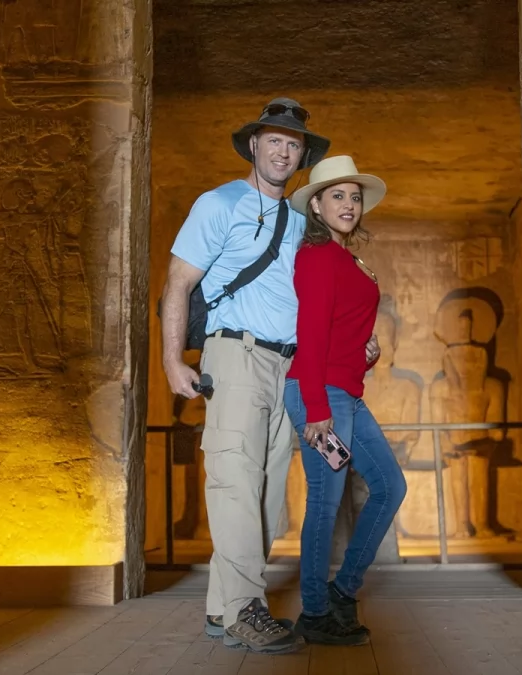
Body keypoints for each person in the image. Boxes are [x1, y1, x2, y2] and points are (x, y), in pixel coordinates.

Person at [160, 98, 330, 654]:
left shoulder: (303, 220)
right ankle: (243, 610)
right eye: (274, 140)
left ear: (302, 155)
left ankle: (219, 608)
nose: (283, 150)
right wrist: (171, 360)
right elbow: (179, 284)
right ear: (254, 146)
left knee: (266, 499)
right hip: (235, 356)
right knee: (234, 482)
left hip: (288, 364)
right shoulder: (219, 203)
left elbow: (311, 296)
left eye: (293, 144)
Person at [283, 155, 408, 645]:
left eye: (355, 197)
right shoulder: (316, 257)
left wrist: (367, 354)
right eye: (337, 195)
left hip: (346, 392)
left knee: (389, 487)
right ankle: (314, 612)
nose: (349, 204)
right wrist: (316, 407)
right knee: (326, 502)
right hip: (321, 394)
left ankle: (342, 589)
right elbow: (310, 334)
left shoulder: (347, 259)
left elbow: (340, 333)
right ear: (315, 204)